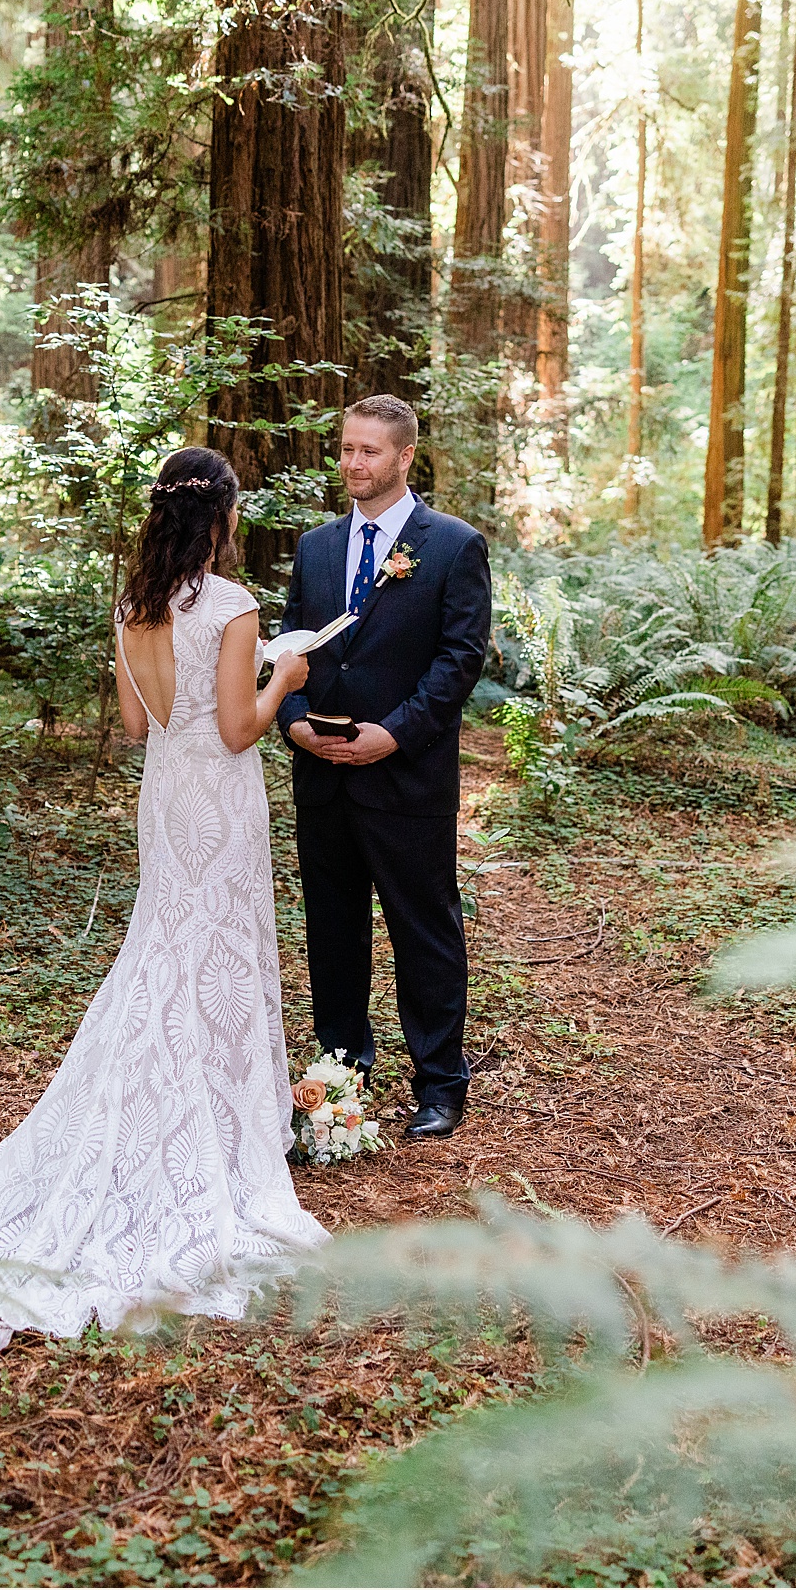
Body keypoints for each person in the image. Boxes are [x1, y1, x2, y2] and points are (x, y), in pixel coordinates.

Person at [0, 446, 331, 1349]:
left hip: (164, 801)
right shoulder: (233, 607)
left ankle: (183, 1109)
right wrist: (284, 679)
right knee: (215, 950)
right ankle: (216, 1130)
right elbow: (233, 730)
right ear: (218, 518)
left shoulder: (132, 606)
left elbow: (141, 725)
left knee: (170, 947)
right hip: (217, 800)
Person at [275, 395, 493, 1139]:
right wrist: (293, 724)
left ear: (404, 458)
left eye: (368, 452)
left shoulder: (454, 547)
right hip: (324, 777)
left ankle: (440, 1085)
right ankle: (341, 1079)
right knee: (334, 934)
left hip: (406, 777)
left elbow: (459, 661)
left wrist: (391, 736)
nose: (352, 465)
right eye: (345, 449)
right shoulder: (315, 546)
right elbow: (287, 649)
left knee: (423, 930)